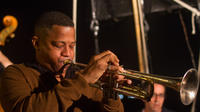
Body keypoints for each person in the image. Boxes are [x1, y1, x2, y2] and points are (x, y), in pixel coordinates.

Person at [0, 11, 131, 112]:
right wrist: (83, 80)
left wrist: (111, 92)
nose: (67, 53)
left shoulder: (85, 78)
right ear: (37, 43)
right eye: (59, 45)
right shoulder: (15, 74)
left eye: (72, 46)